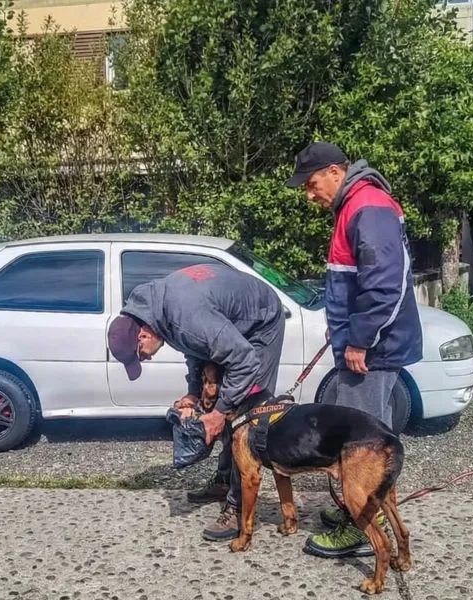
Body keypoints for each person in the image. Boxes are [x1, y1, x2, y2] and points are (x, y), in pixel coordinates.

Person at [285, 141, 423, 559]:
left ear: (334, 171)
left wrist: (359, 338)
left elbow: (384, 285)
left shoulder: (368, 206)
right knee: (363, 438)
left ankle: (365, 529)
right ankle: (356, 511)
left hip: (374, 350)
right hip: (368, 345)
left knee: (362, 447)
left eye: (311, 184)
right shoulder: (357, 205)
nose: (310, 195)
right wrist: (342, 329)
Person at [107, 263, 285, 541]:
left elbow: (244, 360)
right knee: (222, 405)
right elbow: (194, 348)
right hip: (226, 323)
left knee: (244, 419)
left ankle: (238, 508)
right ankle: (224, 480)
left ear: (142, 335)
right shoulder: (157, 312)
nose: (146, 358)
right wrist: (192, 392)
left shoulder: (183, 315)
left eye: (141, 354)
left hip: (260, 323)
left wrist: (220, 413)